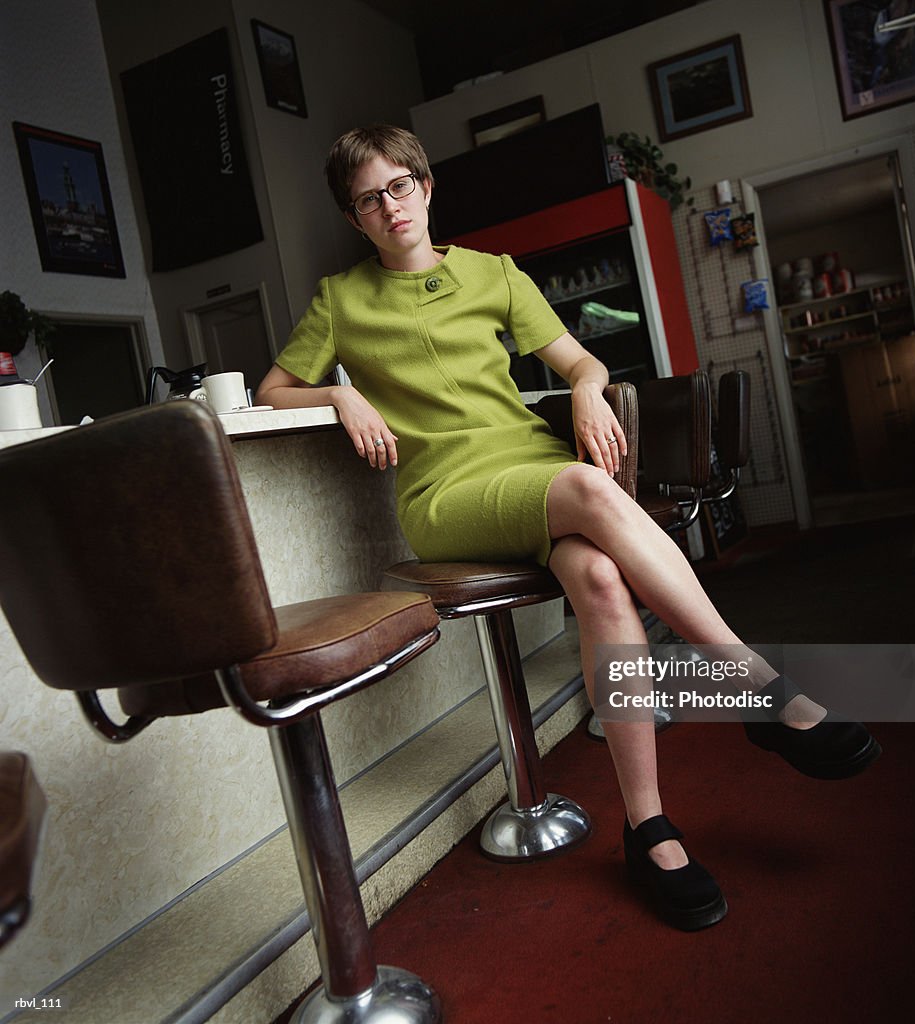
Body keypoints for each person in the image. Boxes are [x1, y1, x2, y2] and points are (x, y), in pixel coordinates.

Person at [257, 124, 880, 932]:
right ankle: (752, 683)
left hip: (529, 466)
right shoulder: (340, 300)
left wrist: (587, 387)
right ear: (355, 217)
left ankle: (648, 829)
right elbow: (273, 391)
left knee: (596, 578)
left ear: (425, 185)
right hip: (447, 495)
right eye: (368, 199)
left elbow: (579, 360)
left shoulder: (494, 274)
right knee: (590, 488)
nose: (389, 207)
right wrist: (340, 394)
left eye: (399, 186)